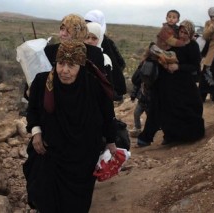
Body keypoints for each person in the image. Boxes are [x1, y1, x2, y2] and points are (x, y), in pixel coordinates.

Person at [23, 41, 117, 212]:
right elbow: (33, 110)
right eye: (61, 63)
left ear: (81, 65)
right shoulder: (42, 82)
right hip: (50, 151)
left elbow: (107, 115)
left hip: (82, 156)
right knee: (44, 194)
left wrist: (111, 141)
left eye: (71, 65)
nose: (64, 70)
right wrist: (36, 132)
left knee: (76, 204)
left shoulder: (93, 85)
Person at [137, 20, 205, 147]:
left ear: (191, 34)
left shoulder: (193, 46)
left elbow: (195, 66)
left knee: (189, 107)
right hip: (165, 82)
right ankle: (146, 139)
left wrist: (178, 67)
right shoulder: (172, 43)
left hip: (183, 85)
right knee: (159, 107)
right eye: (181, 31)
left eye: (186, 32)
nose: (183, 35)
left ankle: (180, 136)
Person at [84, 9, 127, 102]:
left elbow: (119, 63)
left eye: (90, 22)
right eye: (86, 22)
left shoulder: (105, 42)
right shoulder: (83, 41)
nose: (87, 25)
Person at [129, 65, 150, 137]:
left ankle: (151, 129)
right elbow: (136, 87)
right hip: (141, 101)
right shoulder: (140, 79)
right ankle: (138, 128)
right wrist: (133, 96)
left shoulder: (152, 79)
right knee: (136, 114)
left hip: (149, 102)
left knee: (150, 116)